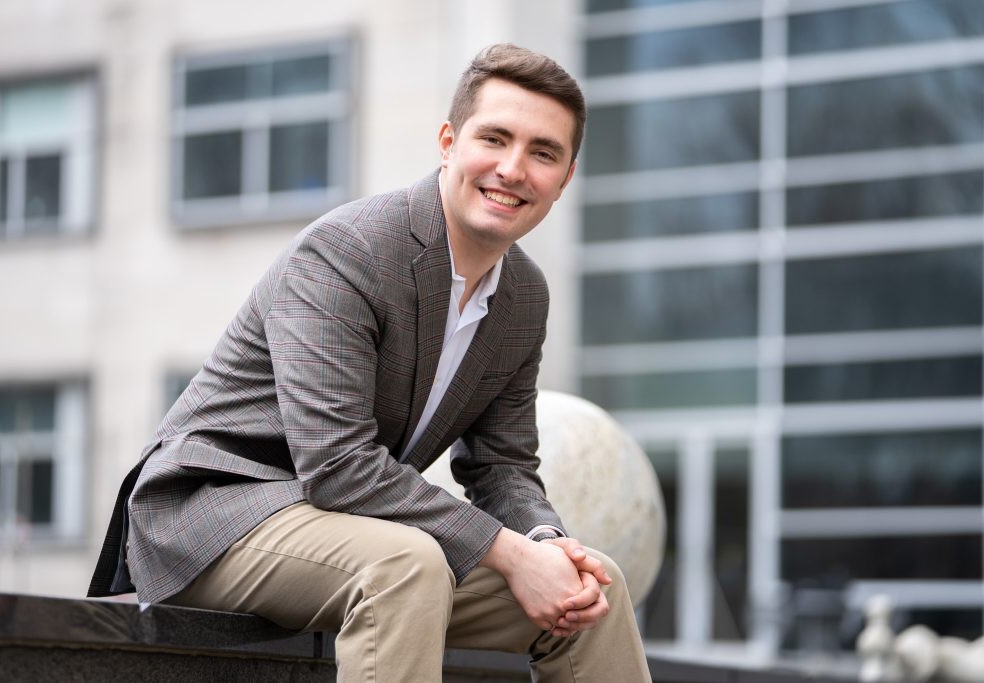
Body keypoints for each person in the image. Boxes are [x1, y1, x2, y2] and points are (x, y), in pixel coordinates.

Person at [89, 43, 651, 682]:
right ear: (447, 141)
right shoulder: (347, 252)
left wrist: (546, 548)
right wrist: (508, 555)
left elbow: (502, 464)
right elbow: (337, 465)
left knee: (590, 598)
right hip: (211, 517)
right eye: (494, 138)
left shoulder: (524, 296)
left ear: (566, 176)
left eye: (543, 152)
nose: (513, 169)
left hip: (345, 531)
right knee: (404, 564)